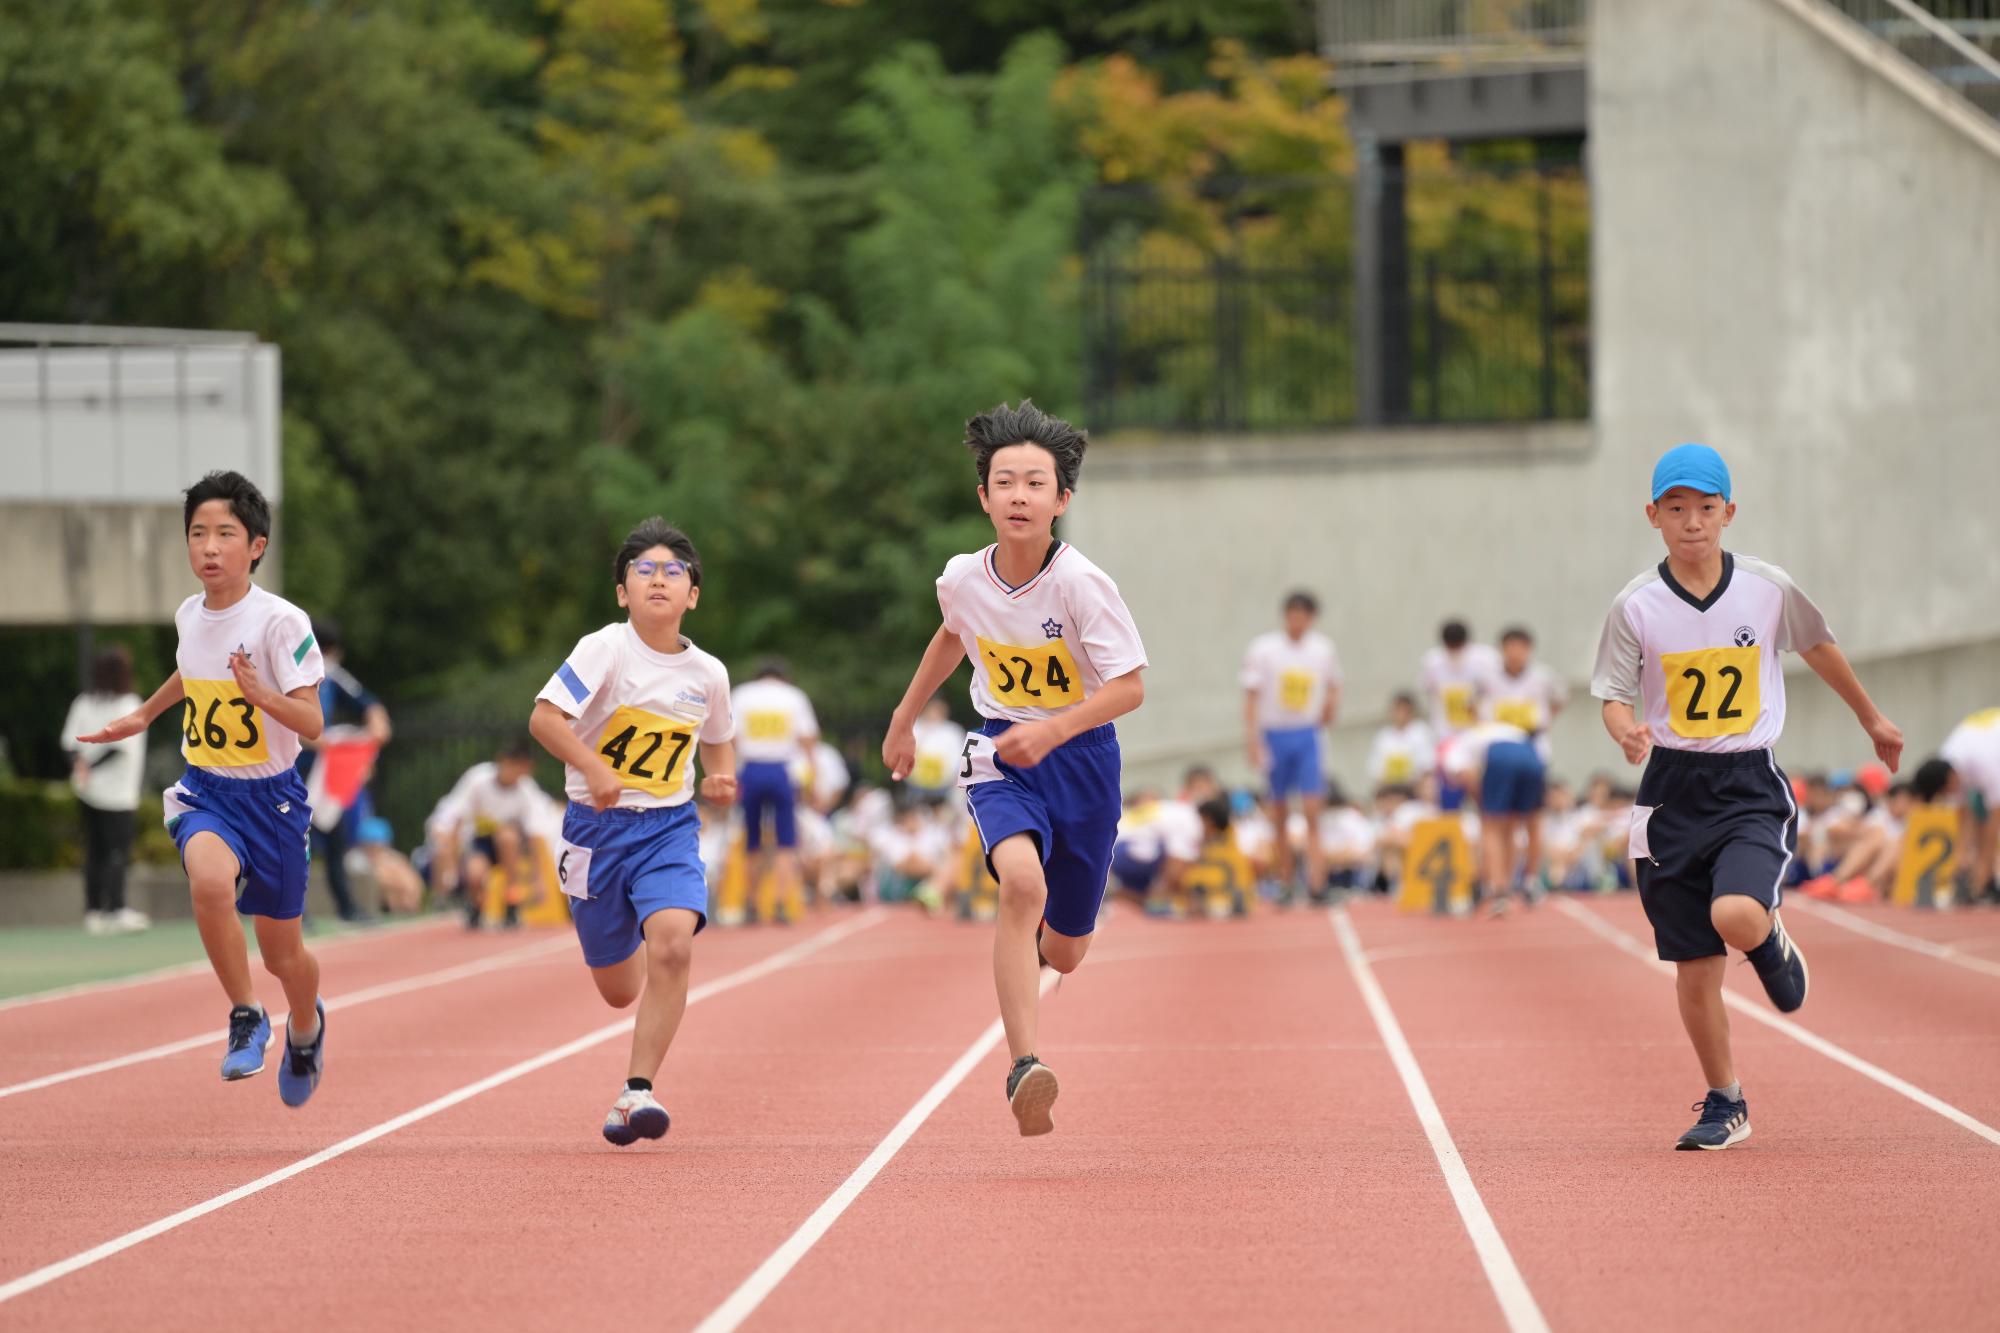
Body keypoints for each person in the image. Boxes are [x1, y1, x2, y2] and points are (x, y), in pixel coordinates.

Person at [1591, 443, 1902, 1151]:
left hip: (1746, 782)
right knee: (1692, 964)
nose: (1692, 522)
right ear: (1654, 516)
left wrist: (1871, 717)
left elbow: (1817, 645)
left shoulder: (1765, 588)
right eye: (1676, 509)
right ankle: (1726, 1099)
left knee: (1734, 911)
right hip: (1668, 789)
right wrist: (1626, 732)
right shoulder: (1636, 605)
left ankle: (1768, 935)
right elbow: (1611, 692)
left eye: (1705, 508)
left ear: (1729, 512)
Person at [882, 401, 1146, 1137]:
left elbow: (1129, 686)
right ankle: (1025, 1064)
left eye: (1037, 482)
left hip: (1083, 759)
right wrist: (904, 718)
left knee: (1065, 948)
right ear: (985, 498)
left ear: (1062, 499)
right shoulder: (964, 577)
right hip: (1000, 750)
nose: (1020, 494)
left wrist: (1057, 728)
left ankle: (1039, 941)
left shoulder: (1082, 585)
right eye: (1006, 481)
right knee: (1020, 883)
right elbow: (950, 637)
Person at [75, 472, 330, 1105]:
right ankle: (246, 1014)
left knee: (282, 954)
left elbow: (314, 724)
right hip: (207, 790)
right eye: (197, 533)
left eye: (225, 534)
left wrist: (261, 695)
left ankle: (305, 1025)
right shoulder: (191, 613)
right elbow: (191, 671)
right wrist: (145, 714)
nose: (209, 547)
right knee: (209, 881)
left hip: (271, 801)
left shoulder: (281, 622)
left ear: (257, 545)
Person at [528, 518, 737, 1146]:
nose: (658, 580)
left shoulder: (709, 674)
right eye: (643, 570)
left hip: (669, 826)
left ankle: (635, 1092)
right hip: (595, 832)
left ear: (692, 595)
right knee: (618, 990)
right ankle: (634, 928)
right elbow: (544, 719)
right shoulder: (605, 650)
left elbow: (720, 748)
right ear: (622, 591)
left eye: (673, 571)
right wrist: (592, 766)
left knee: (674, 944)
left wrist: (721, 781)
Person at [1240, 591, 1344, 902]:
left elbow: (1334, 684)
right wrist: (1253, 741)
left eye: (1304, 616)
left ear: (1311, 619)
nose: (1297, 621)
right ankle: (1285, 881)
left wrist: (1330, 709)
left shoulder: (1323, 649)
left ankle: (1317, 881)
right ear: (1285, 616)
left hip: (1307, 735)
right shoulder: (1264, 649)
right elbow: (1251, 697)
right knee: (1279, 811)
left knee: (1313, 810)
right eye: (1292, 615)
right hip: (1275, 734)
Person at [298, 619, 393, 924]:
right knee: (296, 838)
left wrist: (376, 727)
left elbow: (369, 704)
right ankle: (296, 909)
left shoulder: (331, 674)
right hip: (291, 768)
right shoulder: (289, 670)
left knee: (335, 837)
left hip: (322, 772)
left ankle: (346, 906)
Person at [62, 645, 149, 934]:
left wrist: (82, 767)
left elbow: (71, 744)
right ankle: (115, 908)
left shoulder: (84, 702)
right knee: (116, 852)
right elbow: (117, 747)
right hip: (118, 794)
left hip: (87, 789)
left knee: (94, 851)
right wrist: (90, 768)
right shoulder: (129, 704)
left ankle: (94, 912)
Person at [730, 659, 820, 924]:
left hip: (751, 769)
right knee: (786, 841)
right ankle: (781, 902)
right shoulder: (793, 697)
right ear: (783, 678)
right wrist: (813, 781)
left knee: (753, 840)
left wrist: (730, 774)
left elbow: (729, 737)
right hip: (782, 770)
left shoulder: (743, 694)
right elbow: (808, 741)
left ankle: (751, 903)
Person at [428, 740, 554, 928]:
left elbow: (535, 835)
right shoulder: (478, 780)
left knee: (507, 837)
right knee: (475, 873)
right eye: (516, 767)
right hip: (481, 842)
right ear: (503, 762)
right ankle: (476, 904)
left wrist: (540, 879)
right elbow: (457, 817)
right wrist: (453, 864)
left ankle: (511, 902)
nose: (519, 774)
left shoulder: (527, 790)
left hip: (510, 847)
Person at [1439, 721, 1545, 914]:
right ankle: (1529, 881)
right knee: (1528, 823)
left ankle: (1498, 892)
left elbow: (1467, 776)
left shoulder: (1454, 750)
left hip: (1500, 755)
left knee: (1491, 826)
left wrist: (1483, 804)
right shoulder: (1486, 732)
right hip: (1532, 753)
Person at [1419, 620, 1500, 810]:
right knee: (1449, 787)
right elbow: (1429, 691)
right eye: (1450, 648)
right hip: (1448, 735)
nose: (1454, 652)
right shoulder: (1432, 662)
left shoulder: (1486, 659)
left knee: (1483, 787)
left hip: (1480, 734)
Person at [1476, 627, 1569, 764]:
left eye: (1520, 648)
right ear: (1501, 649)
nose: (1515, 654)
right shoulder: (1487, 676)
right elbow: (1471, 701)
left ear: (1529, 649)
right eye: (1510, 648)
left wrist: (1547, 719)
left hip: (1532, 739)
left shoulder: (1543, 676)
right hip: (1497, 740)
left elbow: (1560, 698)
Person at [1938, 708, 2000, 904]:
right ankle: (1984, 881)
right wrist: (1961, 860)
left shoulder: (1986, 763)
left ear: (1950, 779)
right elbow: (1963, 817)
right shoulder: (1948, 758)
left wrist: (1982, 874)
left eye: (1948, 792)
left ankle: (1987, 880)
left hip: (1989, 752)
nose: (1951, 796)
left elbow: (1994, 822)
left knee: (1988, 824)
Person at [1367, 691, 1434, 792]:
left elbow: (1427, 766)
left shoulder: (1420, 732)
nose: (1400, 714)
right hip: (1390, 790)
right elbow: (1376, 771)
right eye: (1397, 710)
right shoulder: (1383, 737)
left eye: (1404, 710)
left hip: (1414, 788)